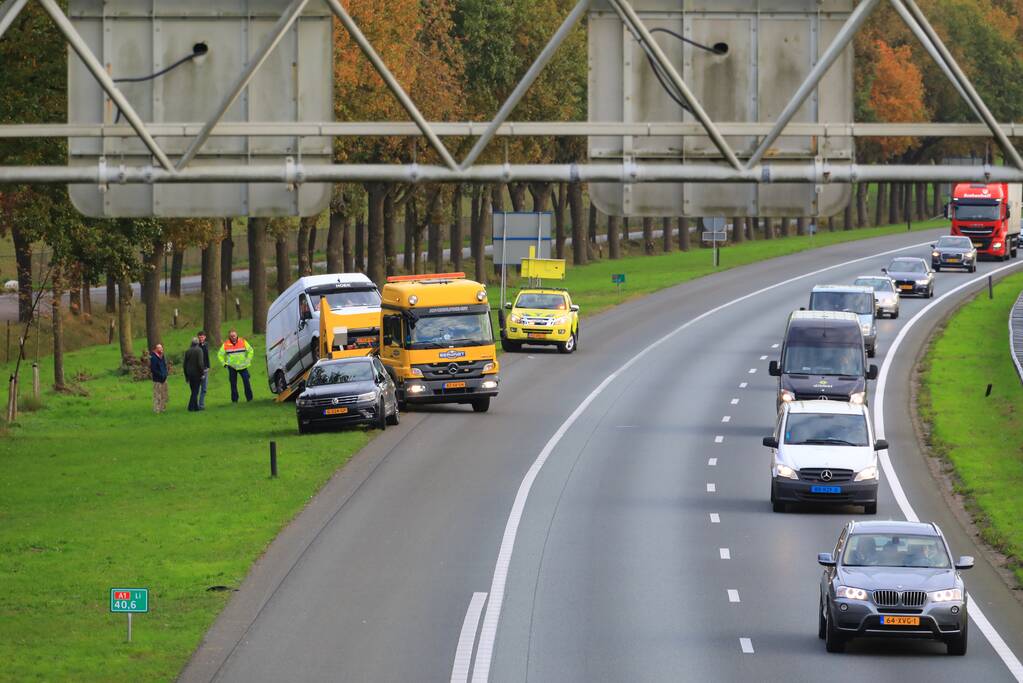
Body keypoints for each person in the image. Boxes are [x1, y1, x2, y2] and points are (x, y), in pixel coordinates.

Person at [218, 329, 255, 402]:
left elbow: (251, 351)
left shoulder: (243, 341)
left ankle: (249, 399)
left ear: (237, 335)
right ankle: (234, 400)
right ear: (229, 336)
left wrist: (248, 360)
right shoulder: (226, 344)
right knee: (233, 384)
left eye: (234, 335)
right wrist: (224, 364)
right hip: (232, 367)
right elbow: (220, 354)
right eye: (231, 336)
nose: (233, 337)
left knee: (246, 382)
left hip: (243, 367)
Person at [183, 337, 206, 412]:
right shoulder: (199, 350)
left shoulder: (188, 351)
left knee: (193, 390)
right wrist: (202, 373)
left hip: (189, 373)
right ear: (197, 343)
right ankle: (190, 407)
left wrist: (186, 376)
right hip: (197, 373)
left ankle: (196, 407)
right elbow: (200, 363)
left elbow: (184, 364)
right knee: (195, 391)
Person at [149, 343, 168, 414]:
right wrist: (160, 375)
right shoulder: (153, 358)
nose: (161, 349)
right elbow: (153, 369)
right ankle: (157, 409)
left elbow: (164, 366)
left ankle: (162, 408)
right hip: (157, 379)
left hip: (164, 379)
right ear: (156, 349)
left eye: (161, 348)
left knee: (164, 394)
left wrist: (165, 374)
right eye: (159, 348)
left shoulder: (162, 356)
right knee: (157, 395)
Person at [197, 330, 210, 410]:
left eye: (202, 337)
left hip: (205, 368)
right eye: (200, 337)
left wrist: (208, 366)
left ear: (205, 337)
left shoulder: (206, 344)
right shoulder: (196, 346)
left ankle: (201, 405)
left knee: (204, 388)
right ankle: (195, 404)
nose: (201, 338)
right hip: (198, 369)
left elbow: (206, 356)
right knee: (197, 388)